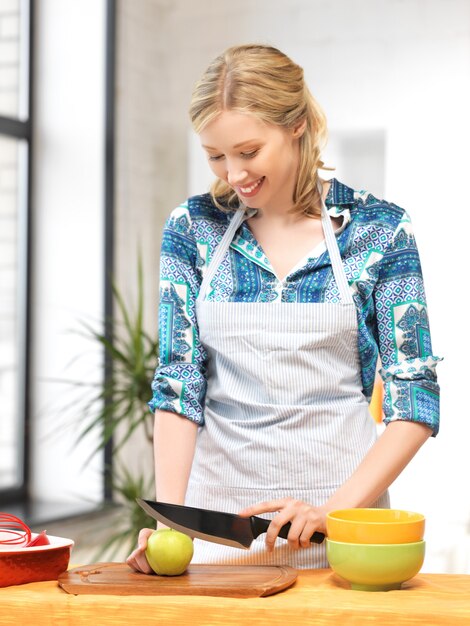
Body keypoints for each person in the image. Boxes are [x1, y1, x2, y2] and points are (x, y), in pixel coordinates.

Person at [127, 44, 440, 572]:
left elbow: (417, 401)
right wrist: (169, 526)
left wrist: (331, 512)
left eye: (248, 152)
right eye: (215, 155)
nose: (233, 173)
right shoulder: (193, 229)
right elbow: (179, 382)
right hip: (217, 533)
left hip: (343, 533)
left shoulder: (379, 230)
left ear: (296, 124)